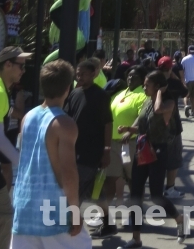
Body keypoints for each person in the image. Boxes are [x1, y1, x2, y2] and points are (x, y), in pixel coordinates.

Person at [11, 59, 90, 249]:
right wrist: (74, 210)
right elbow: (68, 173)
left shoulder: (28, 117)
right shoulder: (64, 124)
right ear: (68, 88)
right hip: (53, 210)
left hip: (24, 209)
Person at [117, 70, 183, 246]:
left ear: (158, 87)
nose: (144, 87)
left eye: (147, 85)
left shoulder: (169, 103)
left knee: (156, 196)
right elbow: (141, 124)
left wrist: (160, 92)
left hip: (159, 151)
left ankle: (178, 218)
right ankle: (136, 238)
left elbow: (158, 110)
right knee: (136, 194)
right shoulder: (147, 101)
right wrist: (128, 130)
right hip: (143, 149)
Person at [94, 66, 148, 236]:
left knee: (134, 181)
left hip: (130, 143)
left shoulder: (143, 95)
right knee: (109, 180)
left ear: (142, 79)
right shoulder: (120, 93)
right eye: (129, 75)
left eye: (135, 76)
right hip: (113, 144)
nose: (131, 78)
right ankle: (106, 217)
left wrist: (130, 130)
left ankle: (135, 216)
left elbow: (142, 117)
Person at [64, 60, 112, 201]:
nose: (79, 77)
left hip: (91, 152)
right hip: (74, 149)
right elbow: (67, 117)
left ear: (93, 74)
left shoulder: (101, 95)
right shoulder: (74, 94)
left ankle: (73, 221)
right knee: (90, 190)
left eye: (83, 74)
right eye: (77, 74)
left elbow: (108, 124)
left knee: (79, 190)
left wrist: (107, 151)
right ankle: (106, 219)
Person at [0, 46, 30, 249]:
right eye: (21, 66)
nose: (23, 71)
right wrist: (23, 163)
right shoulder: (0, 91)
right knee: (5, 215)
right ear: (7, 64)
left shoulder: (2, 90)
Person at [156, 59, 187, 199]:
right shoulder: (174, 83)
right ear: (170, 69)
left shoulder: (153, 83)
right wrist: (175, 77)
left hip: (155, 124)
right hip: (173, 123)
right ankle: (170, 187)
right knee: (173, 157)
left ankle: (155, 187)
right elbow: (185, 92)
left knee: (155, 156)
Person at [179, 45, 194, 119]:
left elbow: (182, 70)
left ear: (188, 50)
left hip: (187, 80)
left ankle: (186, 106)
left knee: (186, 95)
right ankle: (192, 111)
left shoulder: (184, 59)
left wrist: (182, 80)